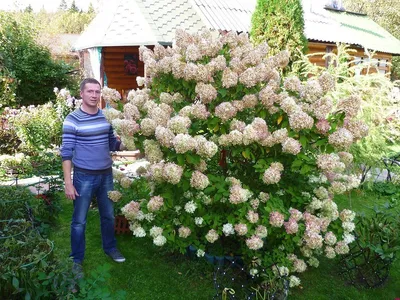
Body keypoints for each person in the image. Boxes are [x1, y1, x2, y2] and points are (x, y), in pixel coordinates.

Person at [60, 78, 125, 276]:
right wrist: (68, 183)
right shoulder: (72, 120)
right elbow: (66, 153)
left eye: (97, 91)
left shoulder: (106, 117)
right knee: (79, 221)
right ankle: (76, 259)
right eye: (90, 91)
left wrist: (128, 140)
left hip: (106, 175)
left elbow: (112, 144)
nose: (94, 95)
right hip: (83, 177)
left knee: (108, 215)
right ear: (82, 93)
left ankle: (110, 247)